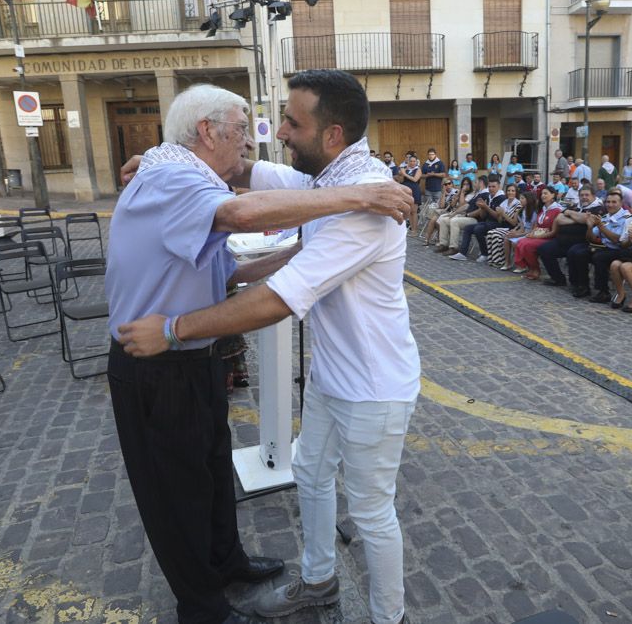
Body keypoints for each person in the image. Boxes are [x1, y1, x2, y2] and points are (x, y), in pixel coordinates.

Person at [119, 70, 421, 624]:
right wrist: (164, 154)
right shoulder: (332, 177)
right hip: (335, 376)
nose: (277, 131)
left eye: (291, 122)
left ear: (331, 135)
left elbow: (279, 300)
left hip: (375, 386)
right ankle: (318, 580)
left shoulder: (366, 206)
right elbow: (251, 171)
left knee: (374, 511)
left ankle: (389, 617)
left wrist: (172, 329)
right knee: (309, 472)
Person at [537, 185, 604, 287]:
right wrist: (578, 218)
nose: (584, 197)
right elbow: (559, 219)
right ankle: (558, 279)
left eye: (587, 195)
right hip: (562, 241)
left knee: (574, 252)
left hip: (581, 242)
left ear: (593, 196)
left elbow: (589, 220)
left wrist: (570, 215)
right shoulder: (575, 207)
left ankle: (579, 284)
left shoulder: (598, 208)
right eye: (582, 195)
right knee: (544, 249)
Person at [568, 191, 629, 299]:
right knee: (576, 251)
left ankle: (603, 291)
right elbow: (590, 239)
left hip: (619, 249)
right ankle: (582, 285)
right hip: (603, 247)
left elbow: (617, 240)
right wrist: (590, 227)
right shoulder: (605, 217)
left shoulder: (627, 218)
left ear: (621, 203)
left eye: (614, 202)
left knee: (599, 257)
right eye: (608, 202)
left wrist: (601, 226)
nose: (610, 205)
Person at [448, 176, 504, 260]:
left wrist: (485, 207)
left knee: (478, 229)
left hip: (498, 223)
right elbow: (483, 215)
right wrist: (482, 208)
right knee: (468, 228)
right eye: (489, 186)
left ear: (498, 187)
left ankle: (485, 253)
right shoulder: (489, 196)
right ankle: (462, 253)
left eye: (493, 187)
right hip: (487, 221)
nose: (491, 189)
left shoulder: (501, 198)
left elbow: (497, 217)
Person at [513, 186, 563, 280]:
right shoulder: (543, 209)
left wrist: (536, 237)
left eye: (546, 193)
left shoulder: (557, 210)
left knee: (527, 245)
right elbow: (536, 226)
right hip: (539, 235)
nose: (543, 196)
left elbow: (554, 232)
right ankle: (531, 268)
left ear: (553, 195)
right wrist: (531, 234)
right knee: (521, 242)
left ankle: (536, 269)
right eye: (542, 194)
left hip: (548, 238)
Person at [489, 190, 535, 269]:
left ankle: (521, 265)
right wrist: (515, 231)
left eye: (522, 198)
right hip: (523, 231)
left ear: (529, 200)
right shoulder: (522, 210)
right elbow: (521, 225)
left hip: (530, 234)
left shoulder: (533, 213)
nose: (520, 200)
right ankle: (507, 262)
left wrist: (517, 234)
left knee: (515, 242)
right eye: (520, 198)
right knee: (507, 237)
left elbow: (531, 230)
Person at [421, 178, 460, 246]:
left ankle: (441, 239)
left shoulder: (456, 192)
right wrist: (444, 193)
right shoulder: (443, 193)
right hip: (443, 212)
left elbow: (452, 206)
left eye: (449, 183)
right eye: (445, 184)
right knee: (433, 220)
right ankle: (427, 239)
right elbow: (441, 206)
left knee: (437, 221)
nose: (448, 185)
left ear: (452, 184)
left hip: (453, 212)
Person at [399, 154, 422, 233]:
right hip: (406, 192)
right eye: (411, 161)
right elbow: (401, 181)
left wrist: (405, 174)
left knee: (414, 211)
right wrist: (401, 174)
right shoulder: (405, 169)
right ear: (408, 161)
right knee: (409, 211)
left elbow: (415, 179)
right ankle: (411, 228)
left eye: (414, 161)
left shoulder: (418, 169)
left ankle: (414, 230)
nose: (412, 163)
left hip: (414, 191)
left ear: (416, 162)